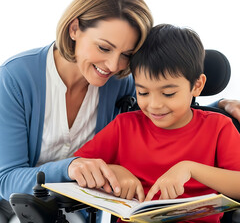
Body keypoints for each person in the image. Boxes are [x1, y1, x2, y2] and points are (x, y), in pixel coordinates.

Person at [0, 0, 153, 222]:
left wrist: (222, 105)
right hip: (16, 209)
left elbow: (164, 106)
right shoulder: (15, 78)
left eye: (126, 55)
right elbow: (7, 179)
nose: (114, 65)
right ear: (74, 29)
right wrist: (70, 168)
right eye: (104, 47)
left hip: (76, 214)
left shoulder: (120, 82)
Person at [74, 24, 240, 223]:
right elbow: (78, 167)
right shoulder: (124, 126)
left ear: (197, 85)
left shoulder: (219, 127)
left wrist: (190, 169)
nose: (154, 105)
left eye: (168, 94)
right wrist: (113, 171)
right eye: (143, 93)